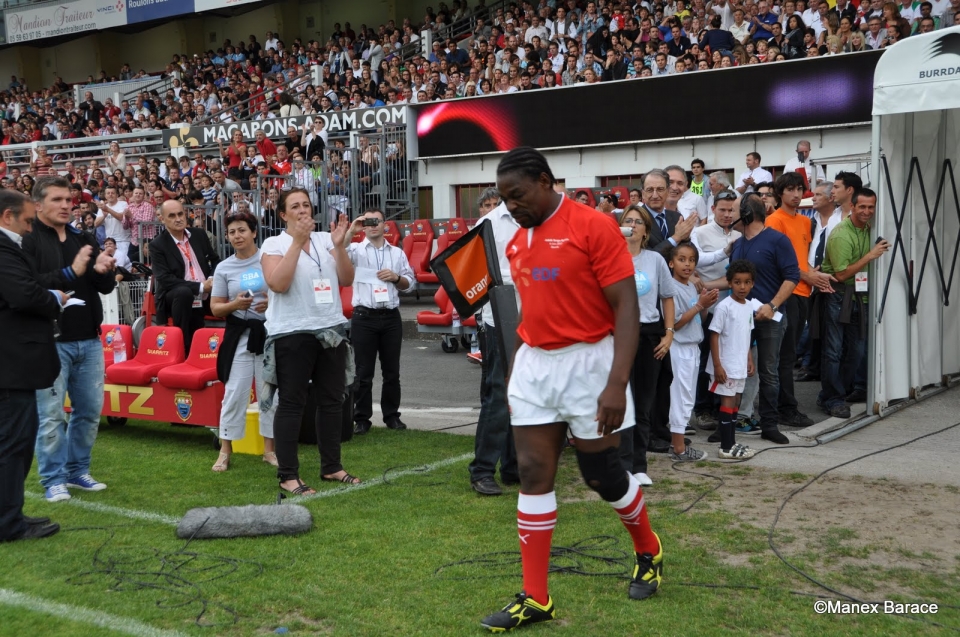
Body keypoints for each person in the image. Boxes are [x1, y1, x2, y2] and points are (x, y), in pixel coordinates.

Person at [481, 148, 662, 632]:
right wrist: (519, 363)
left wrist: (616, 384)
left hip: (590, 362)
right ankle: (536, 598)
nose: (510, 206)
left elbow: (626, 309)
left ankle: (648, 550)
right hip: (536, 364)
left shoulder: (593, 226)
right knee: (534, 471)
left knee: (601, 476)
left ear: (545, 181)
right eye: (503, 199)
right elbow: (529, 306)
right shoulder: (517, 239)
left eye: (516, 195)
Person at [23, 176, 116, 502]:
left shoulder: (83, 236)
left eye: (69, 200)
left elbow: (101, 289)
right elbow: (29, 284)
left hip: (89, 338)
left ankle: (78, 471)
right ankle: (53, 479)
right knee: (51, 416)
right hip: (49, 340)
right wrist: (73, 271)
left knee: (89, 412)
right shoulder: (28, 239)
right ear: (38, 205)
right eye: (58, 200)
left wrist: (103, 271)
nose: (66, 205)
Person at [261, 188, 358, 496]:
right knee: (292, 403)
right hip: (292, 331)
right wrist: (298, 242)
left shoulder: (326, 240)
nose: (303, 210)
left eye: (306, 204)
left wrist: (340, 247)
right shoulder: (274, 243)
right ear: (283, 215)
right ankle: (288, 475)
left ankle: (332, 466)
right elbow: (277, 283)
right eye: (295, 206)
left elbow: (346, 279)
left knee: (331, 401)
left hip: (330, 329)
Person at [0, 189, 65, 542]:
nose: (29, 228)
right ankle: (9, 523)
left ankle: (11, 515)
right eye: (26, 220)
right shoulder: (3, 247)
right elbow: (24, 294)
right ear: (7, 216)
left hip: (13, 363)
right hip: (10, 365)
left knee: (15, 443)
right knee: (14, 444)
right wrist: (53, 298)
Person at [711, 194, 798, 445]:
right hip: (739, 321)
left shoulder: (777, 240)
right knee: (733, 371)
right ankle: (726, 425)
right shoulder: (737, 245)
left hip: (770, 319)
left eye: (735, 210)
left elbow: (792, 276)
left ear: (747, 214)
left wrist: (772, 305)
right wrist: (701, 283)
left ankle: (769, 425)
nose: (729, 215)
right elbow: (730, 280)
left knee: (768, 372)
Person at [210, 210, 277, 472]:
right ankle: (225, 451)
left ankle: (269, 450)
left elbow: (286, 292)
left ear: (253, 232)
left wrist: (270, 303)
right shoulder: (223, 267)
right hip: (238, 336)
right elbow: (216, 308)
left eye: (241, 230)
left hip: (269, 334)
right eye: (232, 232)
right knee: (234, 393)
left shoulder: (270, 259)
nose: (237, 236)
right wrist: (235, 304)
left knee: (269, 393)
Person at [766, 172, 834, 428]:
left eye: (799, 189)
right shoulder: (775, 221)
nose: (796, 195)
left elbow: (799, 257)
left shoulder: (805, 222)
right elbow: (779, 263)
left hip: (803, 292)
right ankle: (786, 408)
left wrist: (812, 273)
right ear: (780, 193)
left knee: (790, 353)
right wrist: (808, 275)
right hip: (787, 294)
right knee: (785, 356)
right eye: (790, 190)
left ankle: (784, 405)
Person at [617, 205, 677, 487]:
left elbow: (667, 297)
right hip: (617, 334)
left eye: (638, 222)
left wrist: (668, 334)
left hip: (650, 335)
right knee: (621, 402)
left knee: (643, 403)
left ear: (646, 230)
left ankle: (639, 465)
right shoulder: (610, 258)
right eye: (627, 220)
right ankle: (622, 465)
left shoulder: (655, 260)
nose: (632, 225)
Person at [818, 188, 890, 417]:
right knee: (833, 350)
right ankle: (832, 398)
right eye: (863, 207)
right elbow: (840, 275)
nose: (867, 211)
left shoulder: (871, 230)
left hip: (861, 296)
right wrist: (870, 255)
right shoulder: (841, 234)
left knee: (857, 351)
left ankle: (836, 392)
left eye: (871, 207)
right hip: (839, 296)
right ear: (853, 207)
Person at [344, 208, 417, 435]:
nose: (373, 225)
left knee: (391, 371)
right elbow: (336, 251)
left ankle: (392, 416)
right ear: (362, 225)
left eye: (377, 221)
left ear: (386, 224)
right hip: (364, 316)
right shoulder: (355, 250)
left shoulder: (396, 253)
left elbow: (410, 283)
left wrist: (396, 278)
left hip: (390, 316)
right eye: (368, 221)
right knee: (363, 372)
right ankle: (362, 418)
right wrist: (351, 230)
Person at [468, 189, 521, 496]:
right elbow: (478, 274)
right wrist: (522, 274)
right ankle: (483, 469)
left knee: (525, 396)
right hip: (499, 319)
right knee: (498, 395)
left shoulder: (537, 222)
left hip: (535, 320)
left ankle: (514, 466)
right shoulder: (487, 224)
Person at [667, 241, 718, 461]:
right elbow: (675, 323)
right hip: (678, 347)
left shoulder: (691, 286)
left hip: (693, 347)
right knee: (680, 396)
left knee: (687, 396)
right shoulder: (670, 287)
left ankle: (675, 441)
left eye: (691, 260)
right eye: (681, 259)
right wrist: (698, 305)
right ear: (671, 263)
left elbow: (699, 319)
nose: (687, 265)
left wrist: (705, 305)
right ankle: (678, 447)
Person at [149, 200, 221, 353]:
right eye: (172, 215)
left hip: (207, 293)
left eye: (181, 214)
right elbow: (165, 279)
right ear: (162, 219)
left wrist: (212, 279)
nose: (178, 219)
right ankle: (183, 348)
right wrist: (200, 287)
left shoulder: (199, 235)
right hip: (175, 296)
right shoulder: (157, 245)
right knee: (184, 293)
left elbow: (216, 261)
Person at [707, 259, 759, 458]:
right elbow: (714, 335)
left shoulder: (748, 307)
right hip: (725, 365)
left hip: (739, 365)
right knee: (727, 401)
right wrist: (718, 365)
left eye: (747, 282)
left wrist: (749, 359)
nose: (742, 287)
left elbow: (746, 335)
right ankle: (726, 447)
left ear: (752, 283)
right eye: (737, 282)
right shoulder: (724, 307)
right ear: (729, 283)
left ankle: (732, 443)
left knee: (736, 400)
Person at [94, 186, 132, 270]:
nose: (110, 195)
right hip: (109, 242)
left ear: (117, 194)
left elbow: (121, 218)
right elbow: (96, 224)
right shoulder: (103, 207)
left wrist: (107, 209)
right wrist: (104, 216)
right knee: (110, 266)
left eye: (113, 193)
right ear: (105, 195)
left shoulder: (123, 204)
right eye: (108, 193)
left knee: (122, 267)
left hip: (123, 240)